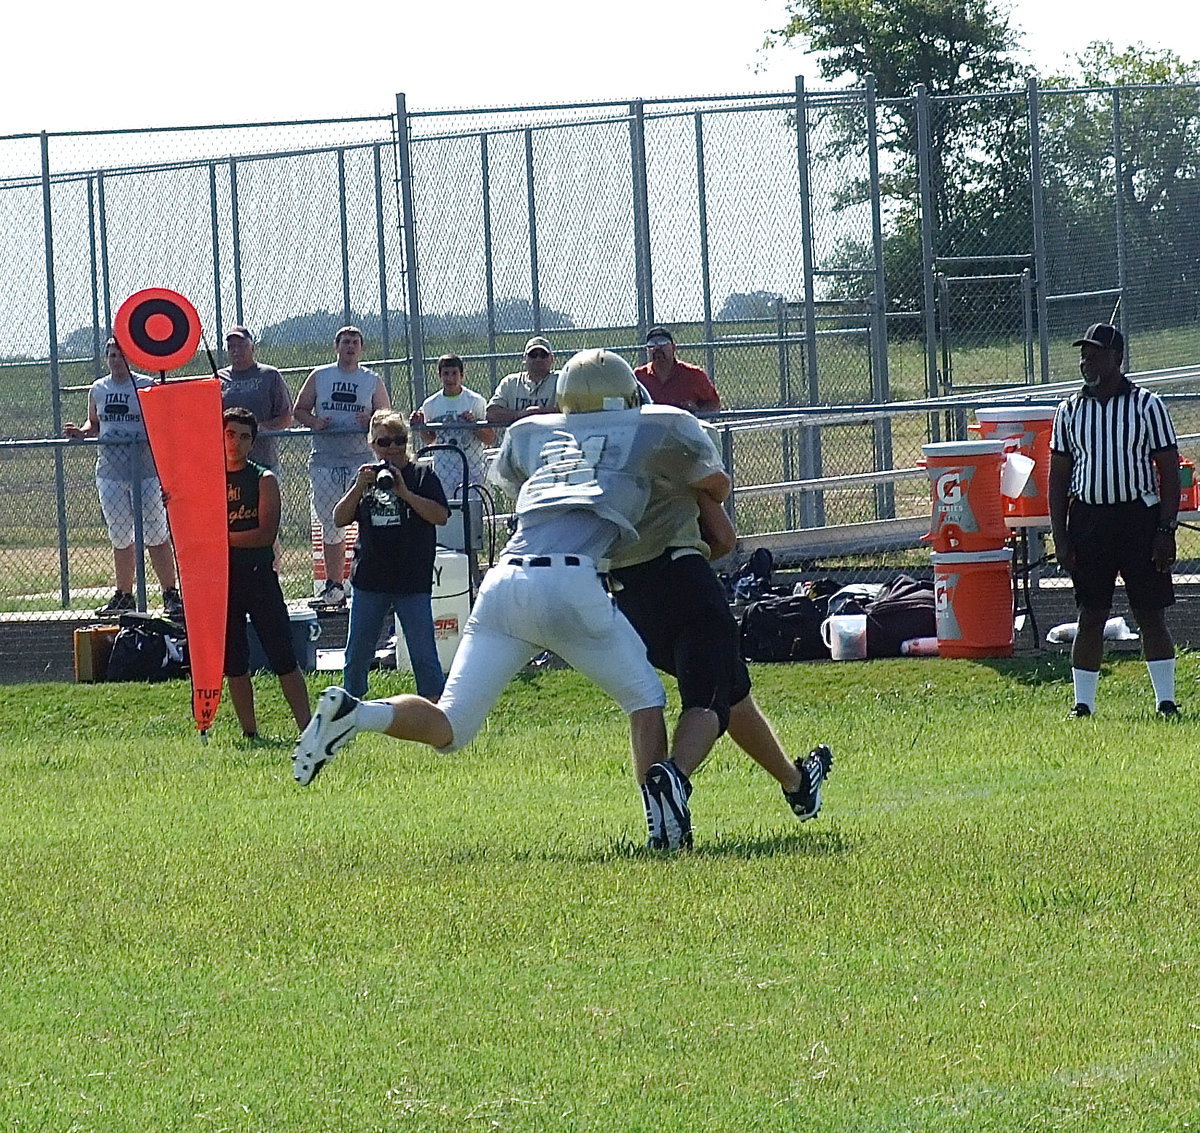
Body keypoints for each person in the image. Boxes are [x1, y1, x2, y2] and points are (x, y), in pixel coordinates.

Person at [292, 350, 726, 851]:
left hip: (502, 586)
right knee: (645, 697)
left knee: (451, 727)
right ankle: (664, 829)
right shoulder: (653, 430)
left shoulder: (536, 436)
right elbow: (714, 483)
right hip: (569, 582)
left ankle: (359, 714)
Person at [608, 438, 832, 828]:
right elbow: (725, 539)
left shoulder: (591, 470)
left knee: (728, 689)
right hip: (685, 581)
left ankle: (796, 785)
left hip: (628, 599)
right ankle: (673, 778)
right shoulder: (667, 455)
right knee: (709, 703)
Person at [1049, 322, 1181, 718]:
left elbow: (1170, 471)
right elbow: (1057, 477)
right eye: (1082, 354)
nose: (1084, 361)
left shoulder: (1147, 406)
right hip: (1089, 520)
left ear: (1116, 358)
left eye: (1093, 353)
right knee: (1091, 614)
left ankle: (1167, 701)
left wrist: (1165, 529)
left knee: (1149, 612)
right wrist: (1060, 536)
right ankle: (1083, 705)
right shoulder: (1069, 410)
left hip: (1138, 518)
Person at [64, 338, 183, 620]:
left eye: (120, 355)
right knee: (120, 534)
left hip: (145, 470)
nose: (115, 360)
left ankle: (170, 593)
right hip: (111, 471)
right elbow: (94, 424)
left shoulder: (146, 386)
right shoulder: (99, 389)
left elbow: (163, 424)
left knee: (156, 532)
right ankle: (124, 595)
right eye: (111, 355)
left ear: (131, 357)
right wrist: (81, 432)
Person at [337, 410, 449, 702]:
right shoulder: (366, 477)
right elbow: (339, 519)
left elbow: (440, 516)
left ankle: (434, 711)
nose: (393, 448)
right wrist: (360, 487)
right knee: (358, 651)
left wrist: (405, 494)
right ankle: (351, 708)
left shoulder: (422, 475)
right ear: (373, 444)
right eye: (385, 442)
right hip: (371, 577)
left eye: (399, 440)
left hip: (411, 577)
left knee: (423, 651)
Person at [221, 407, 312, 739]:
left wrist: (219, 538)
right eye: (230, 434)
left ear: (253, 442)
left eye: (244, 437)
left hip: (258, 575)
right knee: (234, 660)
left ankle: (308, 727)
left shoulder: (263, 479)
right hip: (223, 580)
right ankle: (250, 732)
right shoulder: (208, 479)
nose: (235, 443)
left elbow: (263, 533)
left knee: (282, 654)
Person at [293, 326, 391, 607]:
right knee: (331, 524)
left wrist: (371, 419)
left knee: (370, 521)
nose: (350, 347)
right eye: (345, 342)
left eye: (355, 342)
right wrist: (314, 422)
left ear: (361, 348)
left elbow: (387, 416)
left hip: (361, 460)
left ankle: (372, 580)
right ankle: (334, 586)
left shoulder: (371, 379)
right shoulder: (320, 376)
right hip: (325, 460)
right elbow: (299, 410)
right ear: (337, 346)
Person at [411, 353, 495, 499]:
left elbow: (489, 439)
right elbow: (430, 440)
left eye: (454, 373)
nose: (450, 378)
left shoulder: (475, 401)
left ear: (462, 375)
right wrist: (421, 426)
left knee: (473, 512)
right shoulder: (430, 404)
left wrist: (474, 424)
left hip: (472, 469)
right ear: (439, 376)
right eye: (446, 374)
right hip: (444, 471)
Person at [218, 326, 294, 475]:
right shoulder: (218, 378)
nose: (236, 350)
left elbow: (286, 417)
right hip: (228, 462)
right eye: (231, 346)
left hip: (263, 460)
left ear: (253, 348)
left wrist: (258, 428)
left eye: (241, 345)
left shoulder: (269, 375)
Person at [634, 326, 721, 414]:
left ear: (673, 347)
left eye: (663, 343)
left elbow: (714, 403)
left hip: (683, 426)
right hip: (650, 426)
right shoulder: (639, 376)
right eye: (651, 345)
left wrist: (697, 410)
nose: (657, 348)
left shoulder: (693, 374)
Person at [485, 336, 560, 424]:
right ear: (524, 359)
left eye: (543, 355)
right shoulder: (510, 383)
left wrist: (539, 413)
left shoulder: (561, 380)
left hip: (552, 436)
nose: (538, 359)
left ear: (552, 358)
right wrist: (519, 415)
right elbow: (491, 413)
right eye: (533, 355)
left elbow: (573, 412)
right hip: (518, 437)